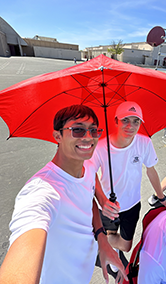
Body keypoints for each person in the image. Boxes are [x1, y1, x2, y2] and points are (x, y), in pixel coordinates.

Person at [0, 105, 128, 284]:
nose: (88, 137)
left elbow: (87, 194)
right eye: (77, 130)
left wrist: (102, 239)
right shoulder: (42, 191)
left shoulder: (87, 165)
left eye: (93, 130)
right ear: (57, 136)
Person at [90, 101, 166, 263]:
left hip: (133, 204)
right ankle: (109, 249)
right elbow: (91, 174)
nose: (131, 126)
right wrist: (103, 200)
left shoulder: (144, 143)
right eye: (125, 120)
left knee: (127, 246)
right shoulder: (100, 146)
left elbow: (151, 170)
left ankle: (99, 240)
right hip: (107, 205)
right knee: (112, 234)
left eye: (136, 121)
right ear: (116, 121)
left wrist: (161, 197)